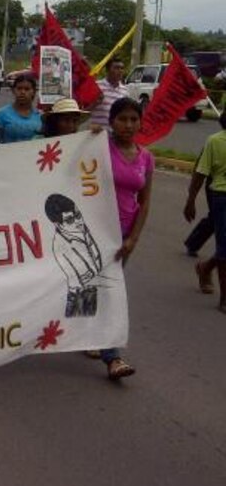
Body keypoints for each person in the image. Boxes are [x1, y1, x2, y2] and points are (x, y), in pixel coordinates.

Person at [99, 96, 151, 379]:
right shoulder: (99, 149)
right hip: (97, 231)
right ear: (112, 122)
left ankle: (95, 340)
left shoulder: (146, 157)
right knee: (107, 291)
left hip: (125, 235)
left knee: (106, 290)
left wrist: (133, 238)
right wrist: (89, 136)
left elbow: (145, 201)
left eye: (134, 119)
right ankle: (112, 357)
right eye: (122, 119)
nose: (128, 125)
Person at [185, 111, 226, 314]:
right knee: (223, 242)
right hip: (220, 194)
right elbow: (200, 172)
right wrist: (190, 200)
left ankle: (206, 267)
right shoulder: (215, 142)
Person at [0, 73, 43, 143]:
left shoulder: (40, 116)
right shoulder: (2, 114)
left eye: (27, 89)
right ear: (13, 91)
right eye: (19, 88)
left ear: (34, 92)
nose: (22, 92)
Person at [90, 58, 128, 128]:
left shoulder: (125, 90)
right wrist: (95, 103)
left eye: (122, 68)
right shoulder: (96, 86)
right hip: (98, 133)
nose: (120, 71)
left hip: (115, 134)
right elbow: (85, 110)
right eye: (116, 68)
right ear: (107, 70)